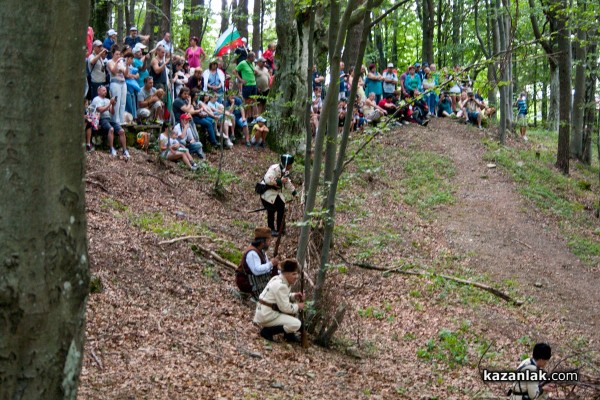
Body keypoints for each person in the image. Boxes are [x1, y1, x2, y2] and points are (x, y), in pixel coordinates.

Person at [253, 258, 305, 342]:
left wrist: (294, 296)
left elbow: (282, 297)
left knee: (292, 319)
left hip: (263, 313)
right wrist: (298, 306)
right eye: (294, 274)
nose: (296, 277)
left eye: (297, 274)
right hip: (267, 316)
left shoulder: (277, 279)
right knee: (296, 324)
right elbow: (285, 308)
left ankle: (289, 336)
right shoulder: (282, 286)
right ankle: (267, 332)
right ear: (286, 274)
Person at [235, 227, 279, 299]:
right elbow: (256, 270)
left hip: (253, 280)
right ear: (262, 242)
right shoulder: (252, 253)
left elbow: (266, 267)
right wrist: (271, 264)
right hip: (246, 282)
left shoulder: (261, 251)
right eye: (268, 240)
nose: (270, 243)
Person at [260, 154, 298, 237]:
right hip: (267, 192)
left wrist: (294, 192)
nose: (291, 166)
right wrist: (279, 181)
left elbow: (287, 182)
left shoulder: (285, 171)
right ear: (287, 164)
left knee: (281, 207)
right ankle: (271, 229)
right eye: (290, 165)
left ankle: (280, 229)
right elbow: (268, 179)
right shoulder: (274, 168)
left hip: (276, 193)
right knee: (271, 210)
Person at [91, 85, 130, 158]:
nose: (105, 92)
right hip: (101, 119)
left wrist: (113, 105)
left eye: (105, 90)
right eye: (103, 90)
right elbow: (100, 110)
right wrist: (110, 104)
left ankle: (125, 150)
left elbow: (112, 112)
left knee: (121, 130)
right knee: (111, 129)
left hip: (109, 119)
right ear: (98, 91)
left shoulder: (107, 100)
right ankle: (111, 149)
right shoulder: (96, 99)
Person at [234, 51, 258, 120]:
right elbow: (234, 71)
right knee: (247, 101)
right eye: (254, 57)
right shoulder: (243, 63)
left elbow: (252, 72)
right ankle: (246, 117)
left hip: (254, 84)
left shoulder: (253, 63)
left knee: (254, 101)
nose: (254, 59)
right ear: (250, 57)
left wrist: (255, 72)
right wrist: (241, 80)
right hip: (247, 85)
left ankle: (256, 118)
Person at [107, 46, 128, 125]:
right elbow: (113, 71)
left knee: (123, 102)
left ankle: (122, 120)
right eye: (116, 54)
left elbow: (125, 74)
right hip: (115, 83)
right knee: (117, 102)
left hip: (123, 83)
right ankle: (115, 120)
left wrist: (127, 66)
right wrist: (117, 62)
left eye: (119, 54)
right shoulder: (110, 62)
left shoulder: (122, 63)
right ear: (113, 54)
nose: (118, 56)